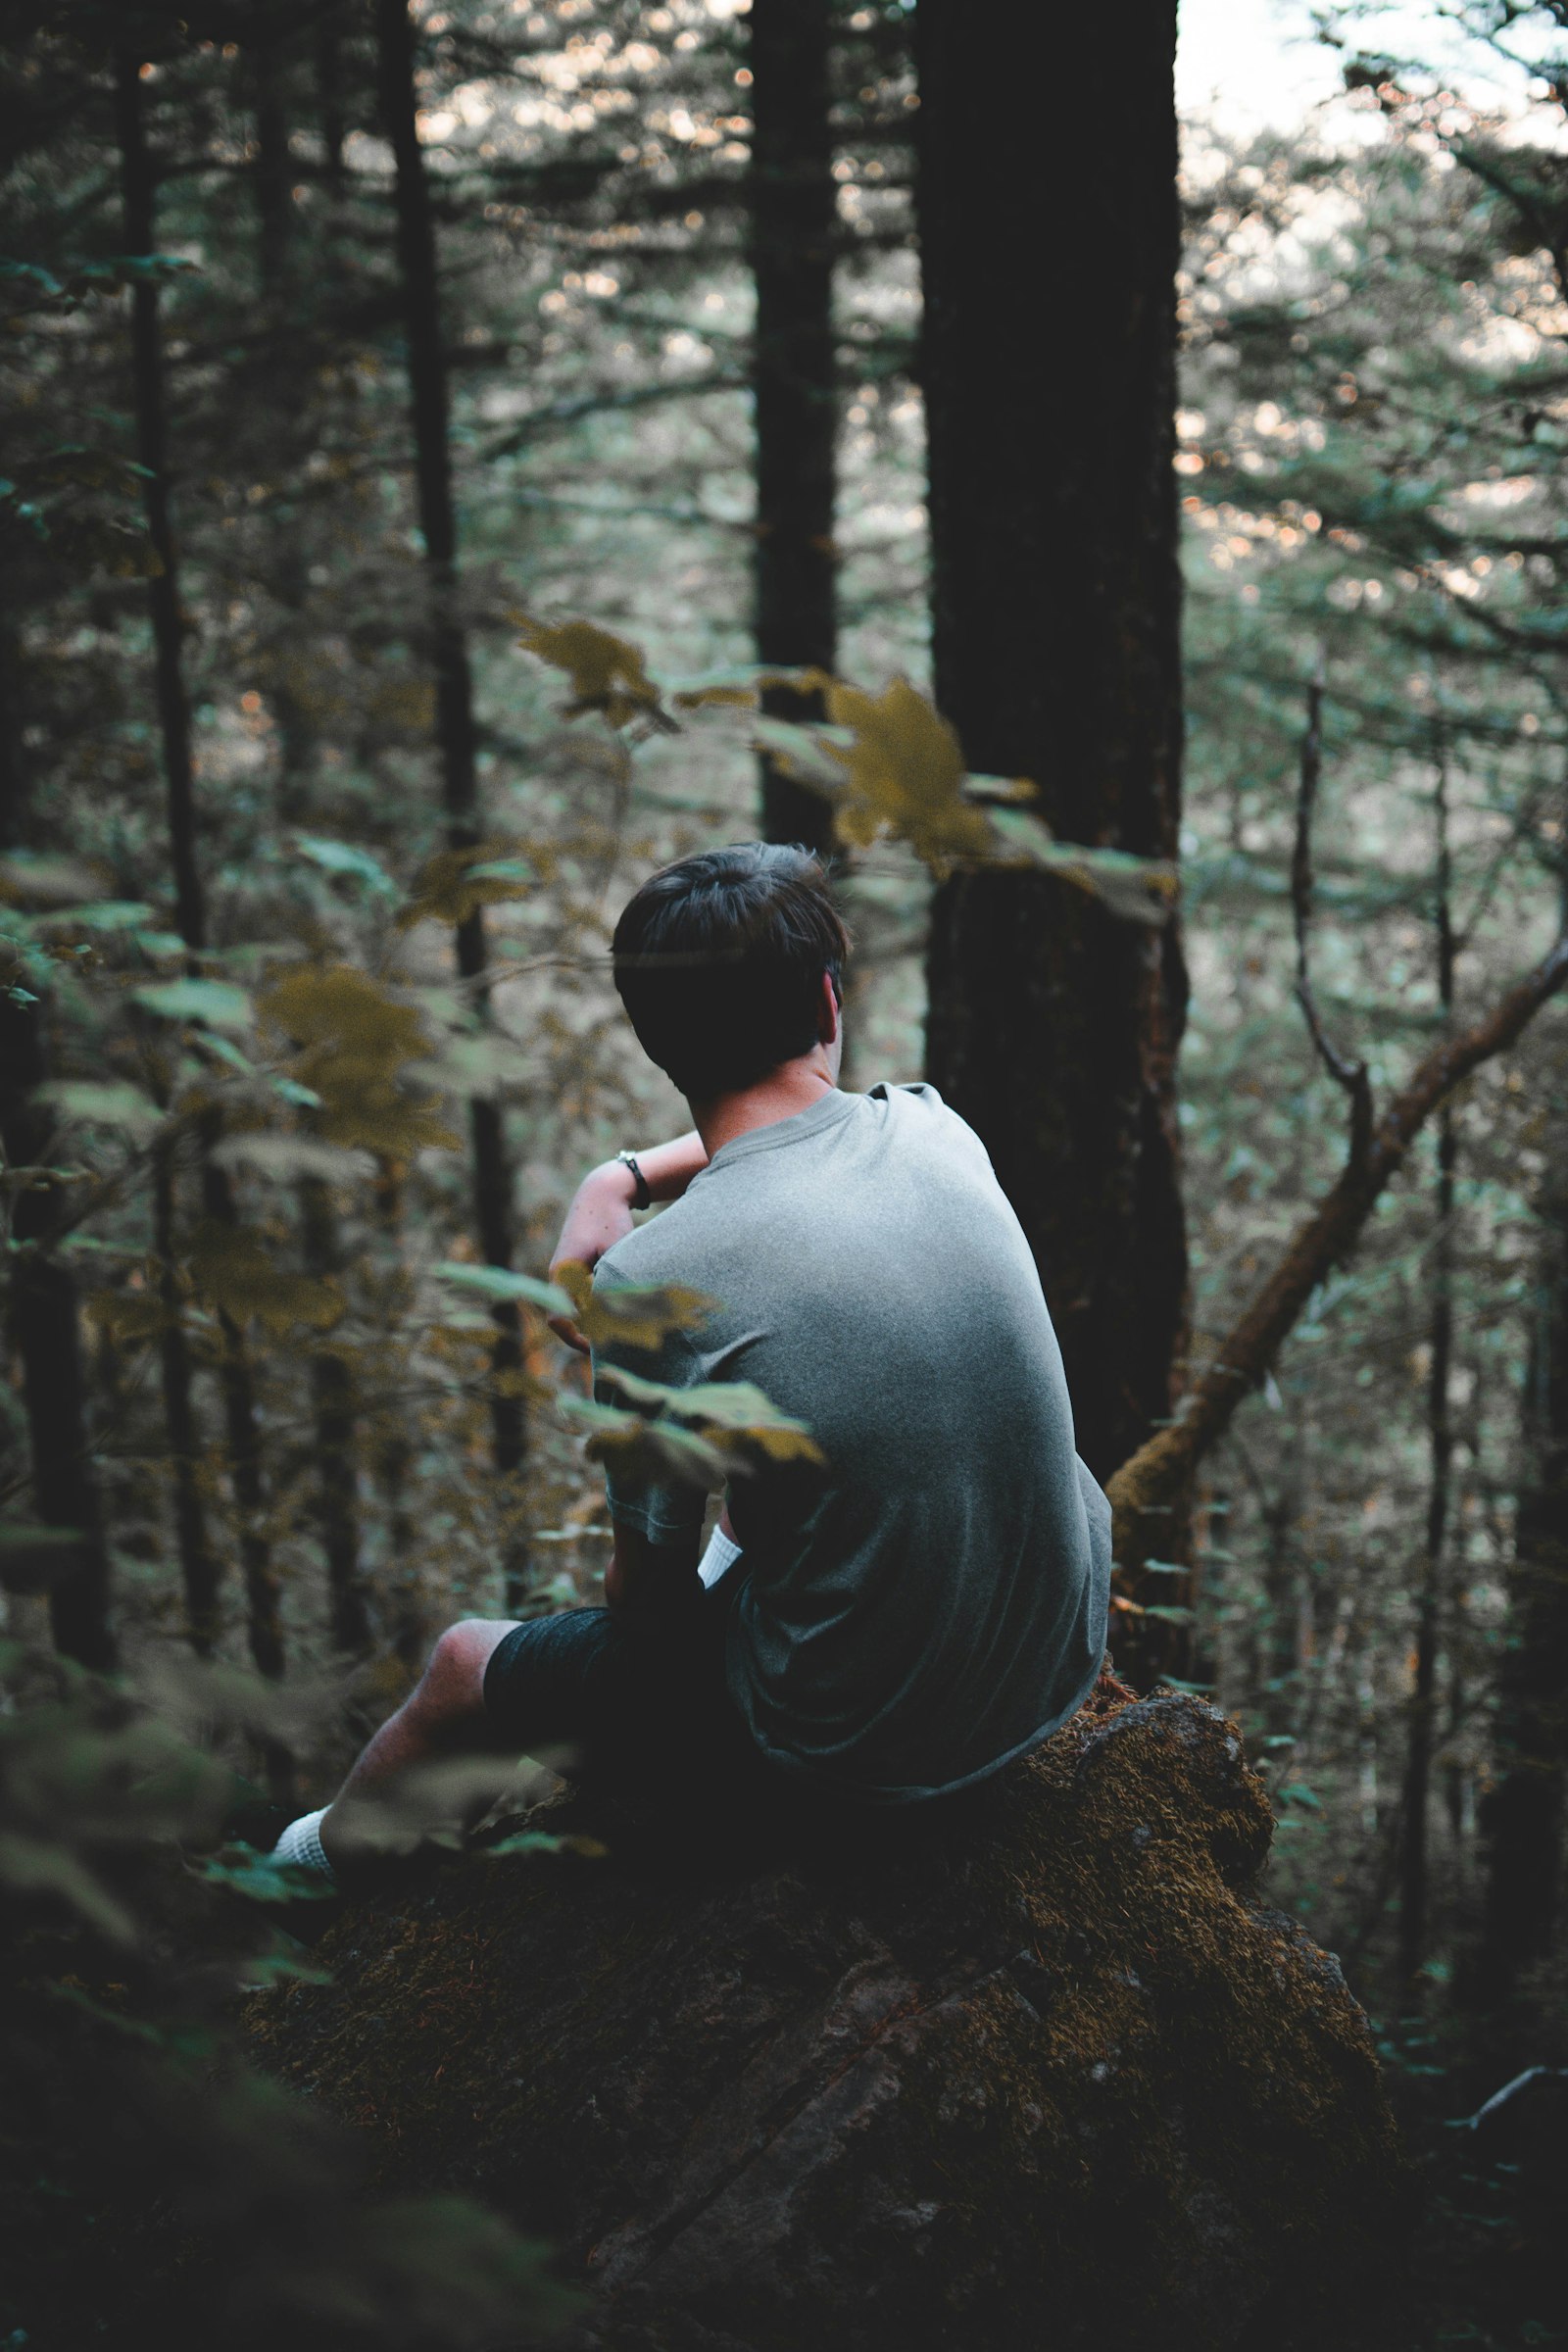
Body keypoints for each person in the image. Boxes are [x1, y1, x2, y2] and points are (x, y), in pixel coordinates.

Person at [270, 842, 1110, 1884]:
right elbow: (791, 1132)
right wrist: (620, 1172)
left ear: (655, 1041)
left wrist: (619, 1186)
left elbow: (652, 1613)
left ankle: (305, 1868)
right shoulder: (936, 1128)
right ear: (827, 1002)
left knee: (457, 1663)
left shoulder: (650, 1282)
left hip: (849, 1759)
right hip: (1050, 1663)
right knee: (794, 1470)